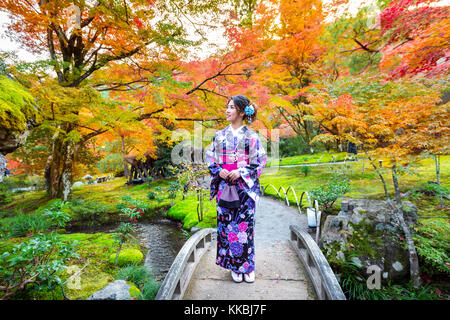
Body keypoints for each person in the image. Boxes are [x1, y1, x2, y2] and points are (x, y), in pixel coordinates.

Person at [205, 95, 267, 283]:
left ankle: (247, 266)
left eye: (231, 107)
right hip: (225, 187)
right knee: (226, 227)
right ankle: (233, 265)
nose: (227, 110)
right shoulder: (219, 135)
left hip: (244, 189)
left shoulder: (252, 136)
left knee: (244, 227)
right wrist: (219, 171)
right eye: (227, 107)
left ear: (241, 112)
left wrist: (241, 172)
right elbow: (210, 158)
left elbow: (260, 160)